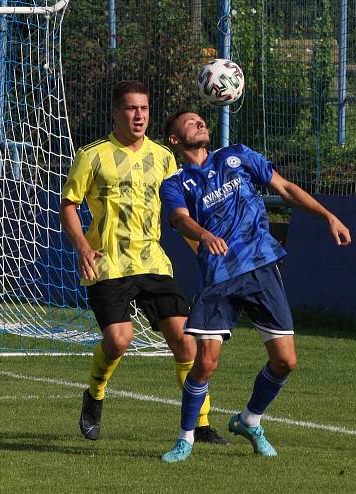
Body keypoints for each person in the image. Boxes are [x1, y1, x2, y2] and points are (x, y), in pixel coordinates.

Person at [158, 110, 352, 462]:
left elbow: (286, 188)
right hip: (219, 276)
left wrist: (328, 216)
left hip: (261, 267)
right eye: (189, 122)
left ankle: (250, 419)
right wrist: (204, 234)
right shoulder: (175, 183)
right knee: (206, 364)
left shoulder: (238, 155)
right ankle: (186, 437)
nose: (200, 123)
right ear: (174, 139)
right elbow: (179, 219)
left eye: (201, 119)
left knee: (286, 361)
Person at [59, 81, 227, 444]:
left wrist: (202, 251)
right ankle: (95, 393)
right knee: (119, 341)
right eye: (132, 109)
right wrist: (83, 249)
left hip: (153, 261)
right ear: (116, 113)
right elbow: (68, 205)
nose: (139, 116)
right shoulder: (92, 155)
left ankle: (201, 423)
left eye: (145, 109)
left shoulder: (164, 158)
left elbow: (179, 213)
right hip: (108, 263)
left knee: (186, 343)